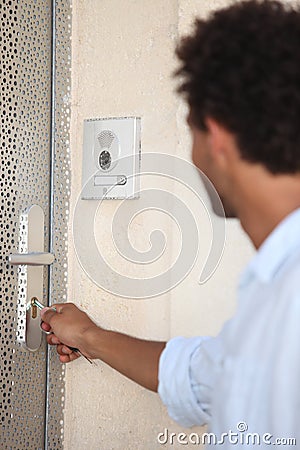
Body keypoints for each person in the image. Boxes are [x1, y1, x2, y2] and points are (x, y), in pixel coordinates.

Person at [41, 0, 300, 447]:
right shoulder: (274, 290)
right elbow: (202, 375)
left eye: (191, 131)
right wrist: (88, 334)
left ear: (214, 134)